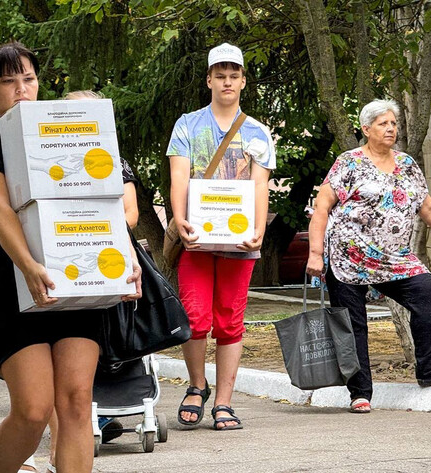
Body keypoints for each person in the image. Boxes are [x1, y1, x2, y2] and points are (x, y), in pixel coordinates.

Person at [0, 41, 141, 473]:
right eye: (8, 82)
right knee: (34, 410)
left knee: (78, 402)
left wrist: (123, 259)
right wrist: (29, 267)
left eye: (28, 79)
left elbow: (102, 199)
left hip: (76, 284)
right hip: (16, 288)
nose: (21, 89)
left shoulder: (69, 132)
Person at [306, 98, 431, 414]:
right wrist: (316, 254)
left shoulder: (407, 165)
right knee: (353, 324)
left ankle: (430, 370)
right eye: (383, 123)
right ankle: (360, 393)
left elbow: (428, 208)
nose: (390, 129)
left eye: (394, 123)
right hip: (349, 257)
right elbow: (322, 206)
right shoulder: (349, 163)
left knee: (426, 292)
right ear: (366, 128)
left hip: (395, 258)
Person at [21, 89, 140, 473]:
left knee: (75, 389)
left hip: (91, 273)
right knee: (47, 388)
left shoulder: (111, 161)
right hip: (49, 272)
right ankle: (57, 445)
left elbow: (130, 214)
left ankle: (64, 452)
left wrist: (94, 226)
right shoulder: (41, 154)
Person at [167, 43, 276, 430]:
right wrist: (180, 220)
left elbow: (260, 185)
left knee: (230, 320)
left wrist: (259, 231)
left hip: (240, 241)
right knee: (195, 317)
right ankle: (197, 386)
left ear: (243, 81)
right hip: (197, 238)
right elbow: (179, 176)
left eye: (234, 76)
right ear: (209, 79)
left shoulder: (258, 132)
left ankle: (225, 403)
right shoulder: (187, 125)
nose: (227, 81)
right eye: (220, 75)